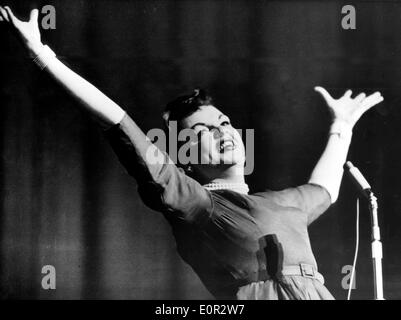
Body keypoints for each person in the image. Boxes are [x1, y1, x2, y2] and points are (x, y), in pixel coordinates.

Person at [0, 6, 384, 300]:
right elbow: (120, 124)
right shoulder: (198, 204)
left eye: (224, 121)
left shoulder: (285, 203)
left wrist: (341, 127)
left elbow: (326, 188)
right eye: (201, 131)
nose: (221, 131)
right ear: (184, 157)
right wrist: (44, 57)